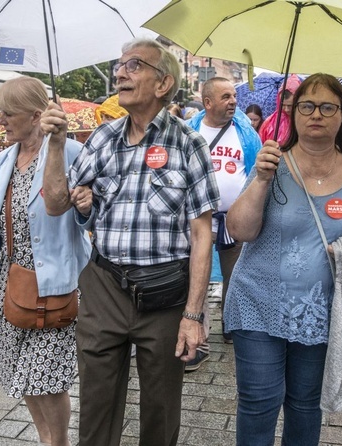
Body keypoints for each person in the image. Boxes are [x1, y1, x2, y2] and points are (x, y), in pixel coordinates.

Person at [41, 38, 220, 446]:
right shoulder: (103, 139)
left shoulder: (188, 145)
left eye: (133, 66)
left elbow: (201, 234)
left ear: (162, 84)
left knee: (160, 409)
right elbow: (56, 204)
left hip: (164, 292)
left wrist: (193, 316)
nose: (119, 73)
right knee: (96, 406)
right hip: (104, 285)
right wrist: (55, 145)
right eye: (119, 65)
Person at [225, 73, 342, 445]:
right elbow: (241, 230)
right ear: (293, 114)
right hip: (258, 303)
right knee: (259, 401)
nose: (317, 114)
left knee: (305, 405)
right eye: (307, 106)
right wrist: (261, 180)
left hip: (323, 310)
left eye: (328, 106)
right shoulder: (272, 162)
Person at [0, 76, 90, 446]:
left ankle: (57, 441)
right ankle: (46, 440)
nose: (1, 121)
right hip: (12, 285)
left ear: (35, 115)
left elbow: (91, 215)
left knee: (43, 377)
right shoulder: (3, 161)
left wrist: (87, 208)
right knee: (21, 375)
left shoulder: (70, 152)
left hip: (56, 285)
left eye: (8, 114)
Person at [187, 77, 261, 359]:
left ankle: (231, 324)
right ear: (208, 103)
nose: (233, 102)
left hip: (234, 220)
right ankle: (198, 334)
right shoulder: (190, 131)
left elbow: (254, 172)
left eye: (234, 96)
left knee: (237, 275)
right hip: (199, 219)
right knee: (197, 275)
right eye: (225, 97)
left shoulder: (245, 133)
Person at [258, 75, 301, 145]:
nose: (286, 109)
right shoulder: (270, 122)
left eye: (290, 106)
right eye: (283, 105)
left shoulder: (304, 121)